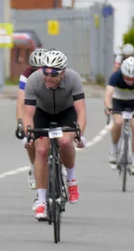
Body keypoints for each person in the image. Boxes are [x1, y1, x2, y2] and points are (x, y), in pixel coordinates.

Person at [23, 50, 87, 221]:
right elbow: (28, 114)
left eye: (54, 74)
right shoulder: (34, 80)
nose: (49, 77)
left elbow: (81, 111)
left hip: (66, 112)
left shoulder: (73, 79)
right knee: (42, 150)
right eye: (46, 72)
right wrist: (29, 134)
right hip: (43, 113)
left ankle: (72, 180)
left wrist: (79, 134)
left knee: (65, 141)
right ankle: (41, 201)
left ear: (63, 72)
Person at [104, 57, 134, 175]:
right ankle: (114, 149)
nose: (130, 81)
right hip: (119, 101)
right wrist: (108, 107)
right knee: (118, 122)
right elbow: (108, 94)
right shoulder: (116, 76)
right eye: (127, 78)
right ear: (122, 74)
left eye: (133, 78)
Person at [16, 48, 48, 196]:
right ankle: (33, 165)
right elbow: (21, 102)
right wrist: (20, 124)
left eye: (42, 69)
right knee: (29, 139)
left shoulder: (54, 73)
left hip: (51, 106)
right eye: (35, 69)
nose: (38, 73)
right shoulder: (26, 75)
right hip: (34, 106)